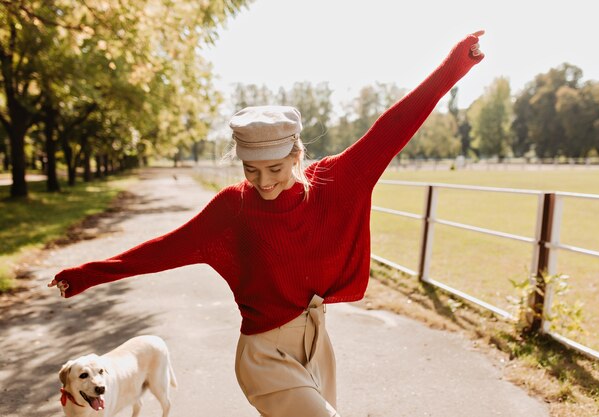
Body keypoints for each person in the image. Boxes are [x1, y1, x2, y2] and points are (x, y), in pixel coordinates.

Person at [49, 30, 485, 417]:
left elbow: (394, 127)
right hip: (262, 354)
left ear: (297, 154)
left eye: (275, 168)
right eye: (251, 170)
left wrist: (455, 64)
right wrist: (88, 274)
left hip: (316, 342)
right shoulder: (233, 208)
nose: (264, 182)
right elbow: (166, 248)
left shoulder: (338, 178)